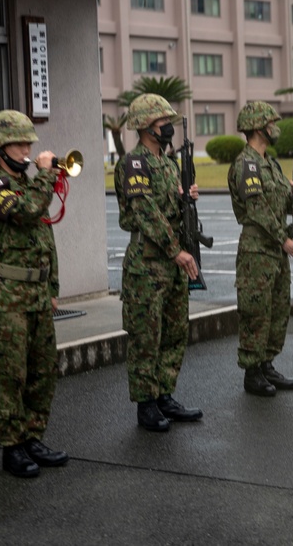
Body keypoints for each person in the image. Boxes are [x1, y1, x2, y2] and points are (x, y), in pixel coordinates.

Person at [0, 110, 69, 478]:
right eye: (19, 143)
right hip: (10, 296)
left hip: (38, 294)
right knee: (11, 375)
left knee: (43, 371)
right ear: (0, 147)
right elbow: (27, 213)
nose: (28, 149)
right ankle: (12, 447)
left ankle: (33, 437)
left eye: (29, 143)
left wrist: (53, 288)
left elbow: (46, 239)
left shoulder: (31, 185)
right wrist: (45, 174)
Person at [115, 93, 204, 432]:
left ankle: (165, 394)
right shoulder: (135, 163)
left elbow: (167, 207)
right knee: (146, 336)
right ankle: (146, 403)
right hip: (148, 262)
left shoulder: (167, 163)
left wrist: (185, 198)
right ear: (146, 126)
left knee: (174, 331)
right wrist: (175, 249)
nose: (169, 127)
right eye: (162, 122)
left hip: (172, 261)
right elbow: (145, 212)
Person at [227, 101, 293, 397]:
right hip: (257, 249)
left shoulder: (270, 163)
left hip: (274, 247)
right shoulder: (247, 164)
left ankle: (267, 364)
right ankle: (252, 372)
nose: (275, 128)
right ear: (259, 127)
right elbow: (257, 208)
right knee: (257, 310)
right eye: (271, 123)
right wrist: (284, 239)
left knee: (277, 308)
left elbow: (280, 204)